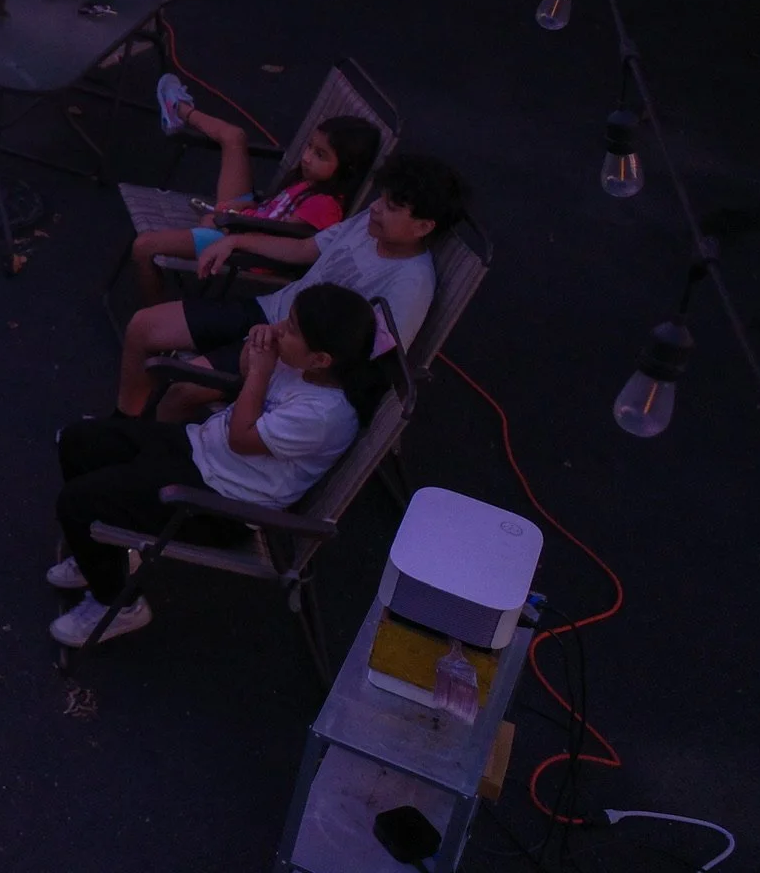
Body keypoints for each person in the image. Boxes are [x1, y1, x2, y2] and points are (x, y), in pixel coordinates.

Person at [49, 283, 381, 646]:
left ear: (322, 358)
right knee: (78, 442)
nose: (281, 327)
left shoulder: (324, 415)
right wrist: (258, 345)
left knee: (77, 504)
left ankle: (121, 605)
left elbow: (241, 438)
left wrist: (260, 371)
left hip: (220, 503)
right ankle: (101, 560)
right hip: (199, 450)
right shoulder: (299, 365)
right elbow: (244, 374)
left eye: (292, 329)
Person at [112, 151, 466, 418]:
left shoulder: (412, 285)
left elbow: (367, 361)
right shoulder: (367, 225)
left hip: (291, 354)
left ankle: (147, 454)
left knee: (182, 389)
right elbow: (302, 248)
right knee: (142, 328)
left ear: (423, 226)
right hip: (269, 310)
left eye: (390, 207)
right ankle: (122, 425)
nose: (374, 208)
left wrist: (277, 357)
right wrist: (237, 241)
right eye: (380, 198)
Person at [129, 74, 382, 306]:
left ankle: (155, 314)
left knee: (144, 246)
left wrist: (227, 224)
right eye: (310, 147)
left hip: (239, 245)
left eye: (320, 155)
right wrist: (243, 209)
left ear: (346, 168)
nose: (306, 158)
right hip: (245, 220)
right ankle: (178, 110)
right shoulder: (310, 180)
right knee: (234, 136)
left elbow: (282, 239)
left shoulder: (324, 205)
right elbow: (272, 213)